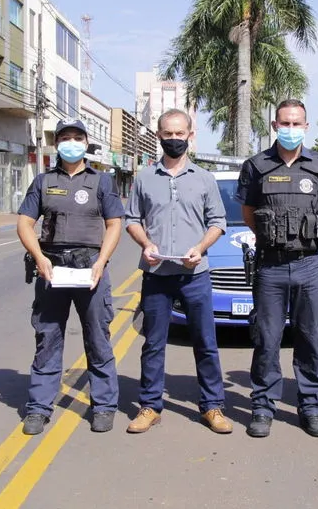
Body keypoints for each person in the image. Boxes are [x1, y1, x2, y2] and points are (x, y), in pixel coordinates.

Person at [236, 99, 318, 438]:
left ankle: (311, 407)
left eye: (297, 124)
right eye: (285, 123)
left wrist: (303, 232)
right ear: (274, 126)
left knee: (310, 339)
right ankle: (263, 407)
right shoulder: (256, 166)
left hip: (309, 266)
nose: (291, 129)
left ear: (306, 127)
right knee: (267, 340)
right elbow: (249, 213)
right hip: (270, 267)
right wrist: (274, 235)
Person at [124, 108, 232, 435]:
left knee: (205, 342)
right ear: (159, 135)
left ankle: (212, 407)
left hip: (194, 275)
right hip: (157, 276)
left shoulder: (204, 179)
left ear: (190, 135)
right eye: (168, 133)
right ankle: (149, 406)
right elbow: (131, 220)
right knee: (153, 343)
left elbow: (218, 223)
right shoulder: (144, 178)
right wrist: (145, 243)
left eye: (179, 133)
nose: (174, 139)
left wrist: (200, 248)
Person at [16, 118, 123, 435]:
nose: (72, 143)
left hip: (90, 266)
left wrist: (102, 262)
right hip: (53, 266)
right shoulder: (43, 181)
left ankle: (103, 406)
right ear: (56, 143)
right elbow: (24, 223)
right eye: (65, 138)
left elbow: (114, 224)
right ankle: (38, 407)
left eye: (77, 137)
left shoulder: (102, 182)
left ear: (87, 142)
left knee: (98, 336)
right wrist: (39, 258)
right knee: (48, 336)